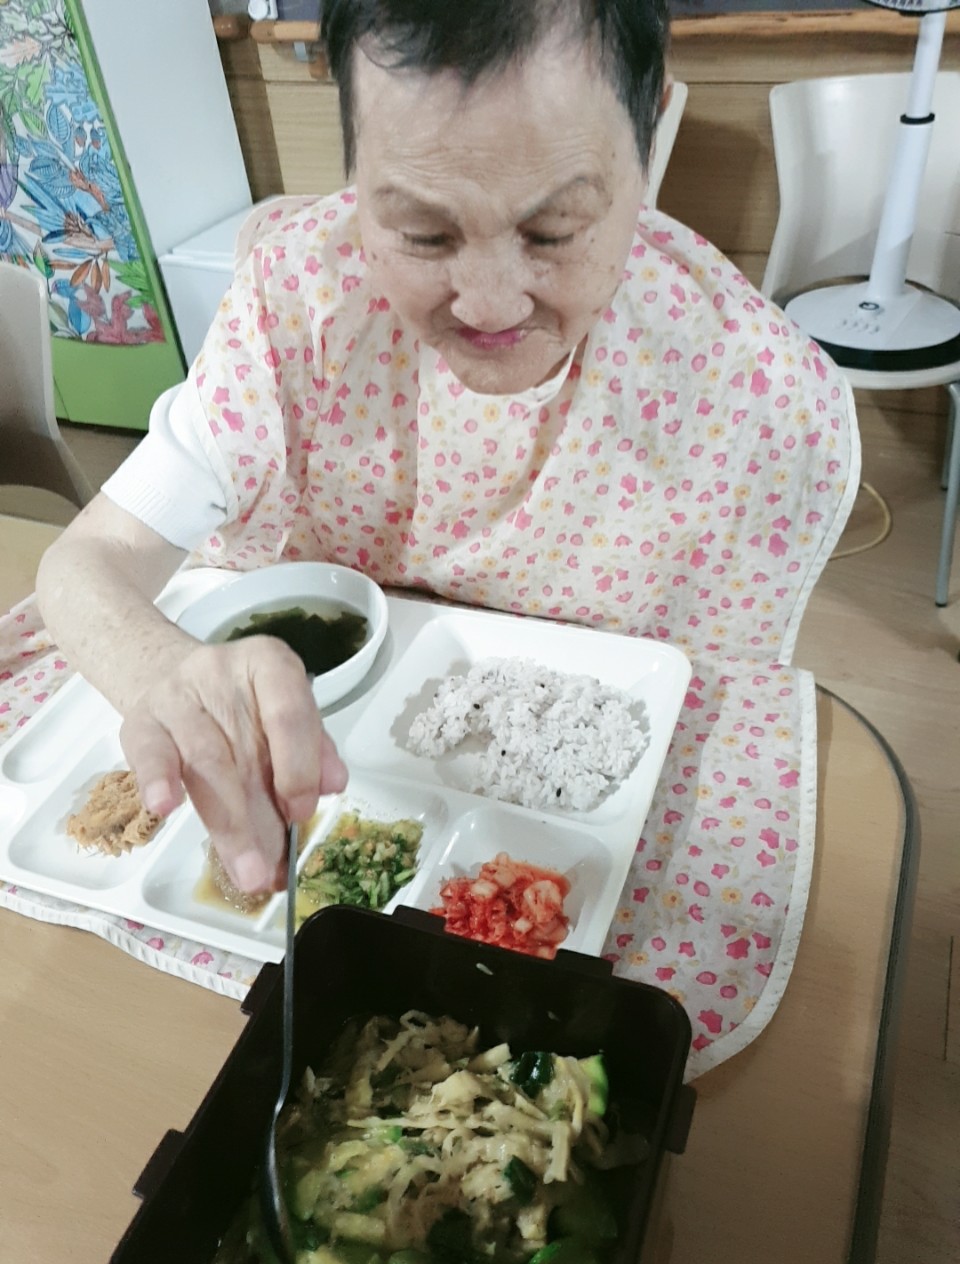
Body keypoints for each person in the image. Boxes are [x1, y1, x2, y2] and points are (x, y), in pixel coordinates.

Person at [16, 0, 857, 1071]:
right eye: (423, 233)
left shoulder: (742, 382)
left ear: (648, 132)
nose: (491, 302)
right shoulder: (298, 301)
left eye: (554, 231)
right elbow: (84, 563)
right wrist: (160, 670)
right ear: (353, 160)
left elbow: (726, 707)